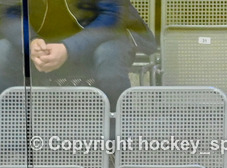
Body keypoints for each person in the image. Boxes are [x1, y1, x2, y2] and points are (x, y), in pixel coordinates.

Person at [0, 0, 156, 106]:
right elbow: (7, 13)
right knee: (3, 50)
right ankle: (12, 141)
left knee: (109, 54)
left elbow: (113, 16)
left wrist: (68, 48)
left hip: (103, 38)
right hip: (43, 41)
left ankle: (116, 139)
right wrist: (30, 42)